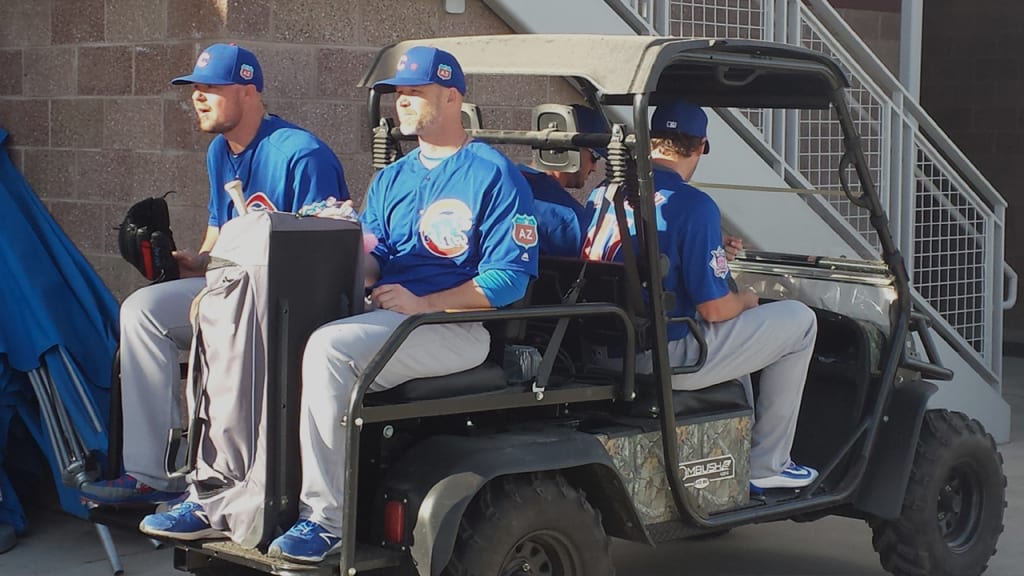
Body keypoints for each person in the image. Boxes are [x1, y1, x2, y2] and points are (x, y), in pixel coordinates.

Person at [137, 46, 538, 562]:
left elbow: (508, 280)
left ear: (452, 98)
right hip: (391, 315)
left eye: (415, 93)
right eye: (398, 94)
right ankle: (222, 493)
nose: (402, 103)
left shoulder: (493, 172)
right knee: (261, 329)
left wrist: (424, 303)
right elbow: (376, 259)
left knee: (329, 347)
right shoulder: (394, 176)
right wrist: (341, 244)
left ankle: (326, 520)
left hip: (454, 326)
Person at [81, 43, 349, 506]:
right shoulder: (219, 151)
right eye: (195, 88)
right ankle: (152, 475)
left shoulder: (301, 154)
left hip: (285, 304)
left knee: (216, 317)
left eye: (211, 87)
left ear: (248, 91)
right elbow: (220, 231)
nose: (198, 97)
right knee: (143, 311)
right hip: (230, 288)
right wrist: (198, 263)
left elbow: (327, 253)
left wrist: (220, 290)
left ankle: (225, 478)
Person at [582, 99, 818, 492]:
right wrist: (748, 300)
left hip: (601, 349)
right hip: (663, 356)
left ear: (650, 141)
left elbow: (645, 258)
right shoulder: (692, 204)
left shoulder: (605, 195)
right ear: (702, 146)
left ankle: (735, 453)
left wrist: (712, 250)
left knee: (738, 335)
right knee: (801, 321)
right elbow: (715, 309)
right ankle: (767, 464)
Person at [519, 104, 607, 257]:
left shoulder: (502, 183)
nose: (594, 168)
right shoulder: (568, 218)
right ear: (572, 149)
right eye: (594, 157)